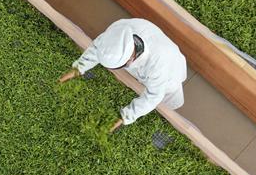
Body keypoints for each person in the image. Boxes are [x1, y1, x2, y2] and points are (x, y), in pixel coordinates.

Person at [59, 18, 187, 132]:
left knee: (169, 101)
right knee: (146, 89)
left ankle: (169, 114)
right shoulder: (119, 30)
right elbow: (98, 47)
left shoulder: (158, 65)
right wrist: (79, 67)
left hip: (171, 71)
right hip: (152, 56)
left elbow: (154, 96)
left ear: (129, 60)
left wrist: (125, 116)